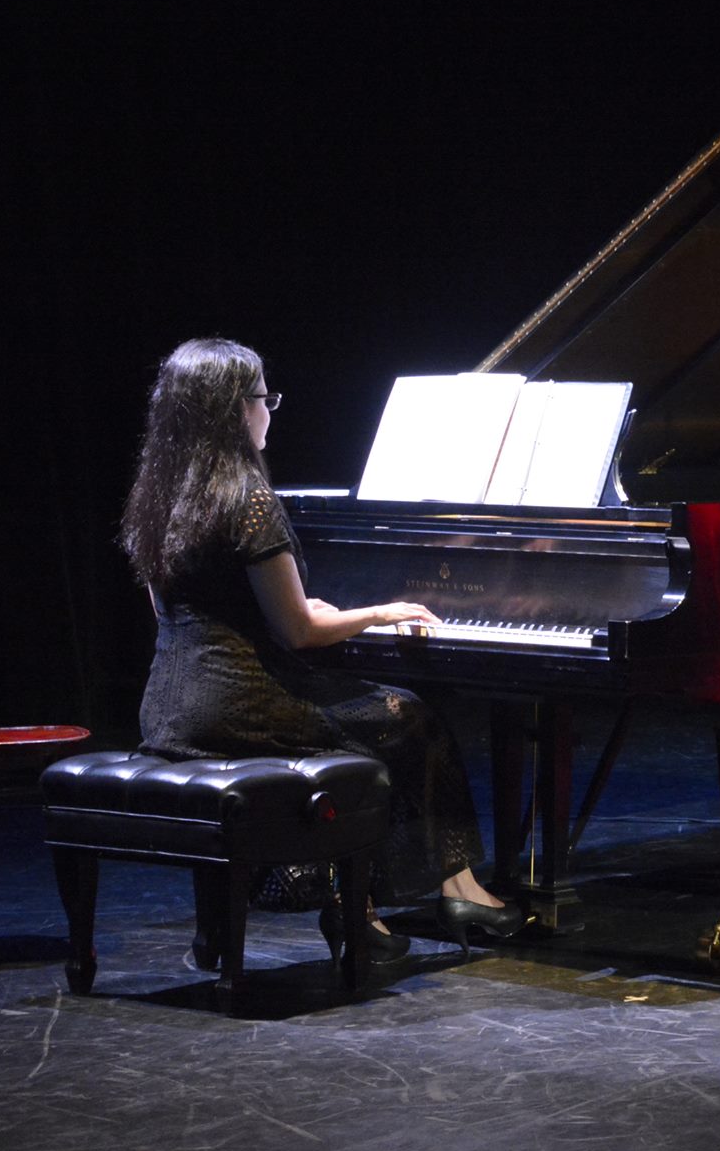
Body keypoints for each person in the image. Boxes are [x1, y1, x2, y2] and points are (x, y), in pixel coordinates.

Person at [119, 337, 529, 961]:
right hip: (238, 706)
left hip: (169, 711)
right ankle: (455, 892)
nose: (269, 411)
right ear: (236, 409)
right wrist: (380, 613)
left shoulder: (157, 495)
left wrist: (301, 608)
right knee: (409, 719)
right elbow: (300, 634)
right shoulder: (249, 499)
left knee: (361, 734)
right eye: (265, 399)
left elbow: (181, 611)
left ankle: (361, 912)